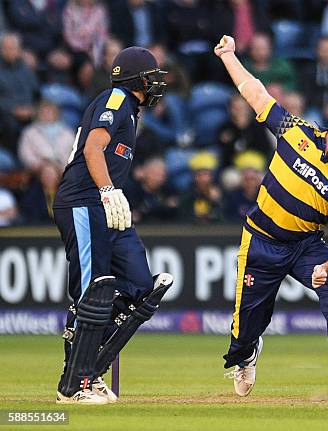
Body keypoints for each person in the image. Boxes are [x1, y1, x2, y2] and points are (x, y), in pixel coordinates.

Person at [215, 35, 328, 400]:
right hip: (260, 240)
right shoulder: (295, 132)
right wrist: (229, 56)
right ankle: (247, 353)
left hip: (306, 247)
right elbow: (254, 93)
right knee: (243, 331)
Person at [52, 47, 174, 404]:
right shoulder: (117, 97)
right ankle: (75, 384)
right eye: (151, 76)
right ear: (137, 79)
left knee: (140, 286)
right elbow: (93, 149)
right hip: (83, 202)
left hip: (105, 204)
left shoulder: (130, 110)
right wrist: (107, 190)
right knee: (93, 291)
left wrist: (111, 195)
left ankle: (88, 366)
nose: (156, 83)